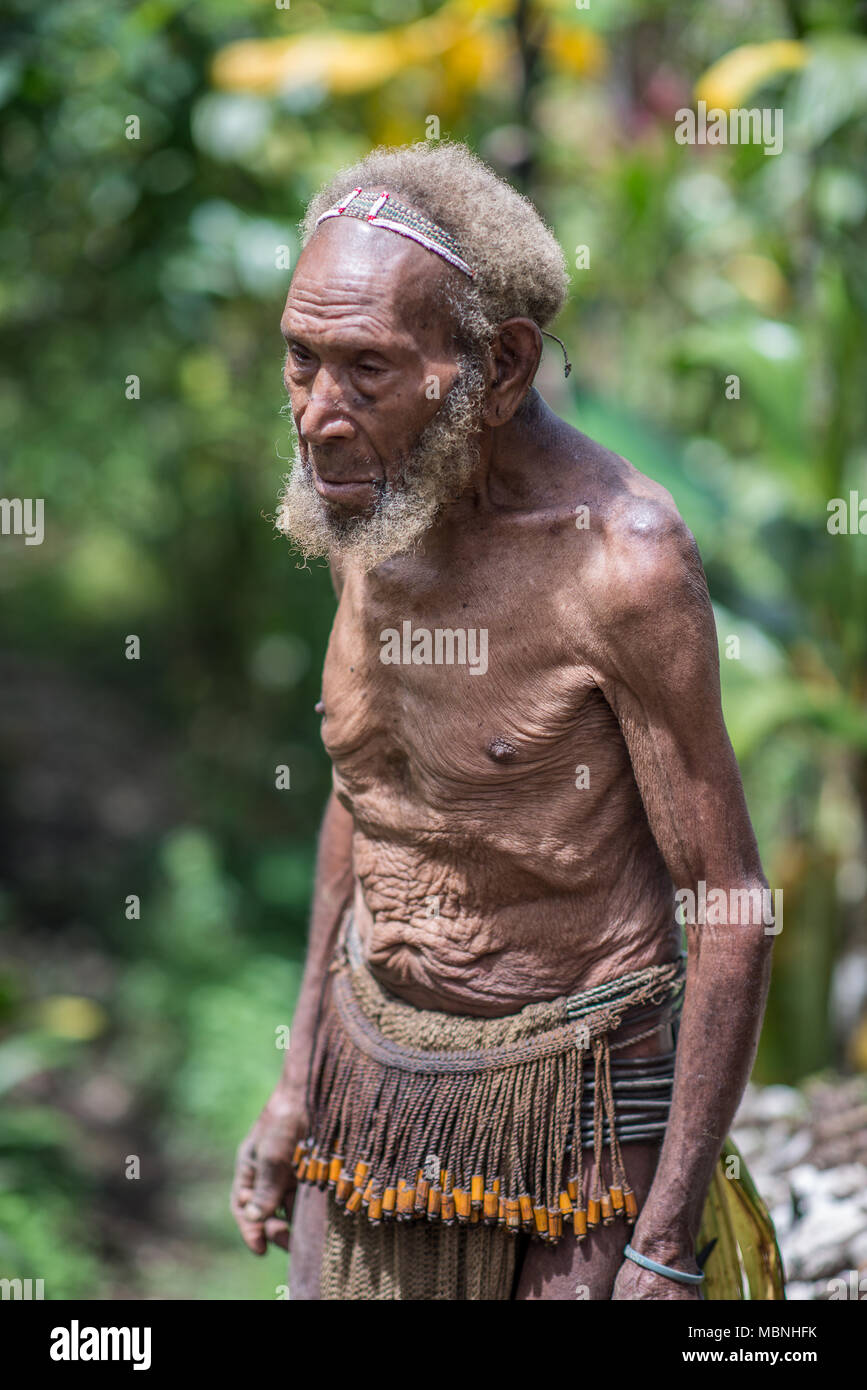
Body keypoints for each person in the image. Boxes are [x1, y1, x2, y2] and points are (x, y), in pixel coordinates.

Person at [230, 140, 775, 1300]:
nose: (317, 415)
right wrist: (296, 1084)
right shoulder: (371, 514)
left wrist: (664, 1240)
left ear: (500, 369)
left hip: (571, 1118)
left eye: (366, 369)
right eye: (299, 359)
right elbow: (367, 794)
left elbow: (731, 904)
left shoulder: (620, 566)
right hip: (367, 1091)